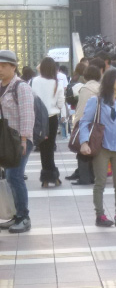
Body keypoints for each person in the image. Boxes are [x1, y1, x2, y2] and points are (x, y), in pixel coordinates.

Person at [79, 69, 116, 227]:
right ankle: (100, 215)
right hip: (101, 147)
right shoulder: (95, 101)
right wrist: (84, 142)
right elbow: (84, 122)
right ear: (111, 81)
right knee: (100, 182)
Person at [0, 50, 35, 233]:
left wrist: (24, 139)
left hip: (20, 139)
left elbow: (28, 115)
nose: (1, 69)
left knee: (15, 176)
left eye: (4, 66)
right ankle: (15, 215)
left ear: (13, 67)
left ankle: (24, 216)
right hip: (6, 140)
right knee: (10, 177)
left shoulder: (20, 87)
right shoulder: (1, 86)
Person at [31, 57, 65, 187]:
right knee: (50, 148)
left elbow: (32, 97)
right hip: (52, 118)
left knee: (42, 147)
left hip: (38, 118)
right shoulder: (57, 83)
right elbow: (61, 104)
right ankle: (52, 177)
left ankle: (47, 178)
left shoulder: (35, 81)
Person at [69, 65, 102, 185]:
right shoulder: (100, 87)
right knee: (93, 151)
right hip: (97, 124)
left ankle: (84, 178)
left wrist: (76, 123)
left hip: (85, 123)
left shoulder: (86, 88)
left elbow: (81, 108)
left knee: (82, 151)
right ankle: (92, 175)